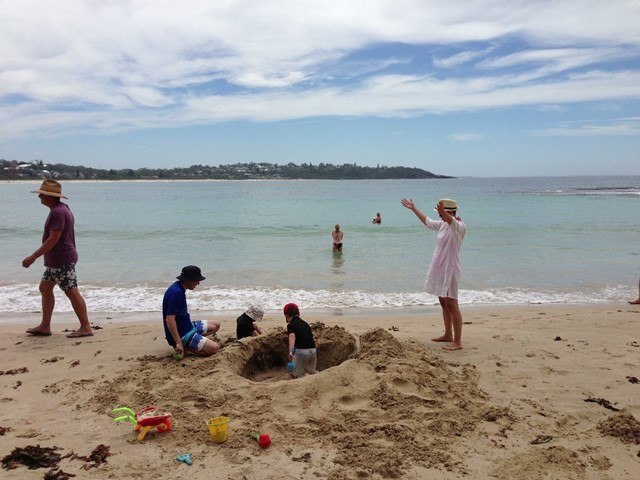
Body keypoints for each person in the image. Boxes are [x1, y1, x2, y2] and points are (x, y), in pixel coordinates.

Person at [22, 180, 93, 338]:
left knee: (71, 292)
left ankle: (86, 327)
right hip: (56, 261)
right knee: (45, 288)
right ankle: (45, 326)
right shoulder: (60, 209)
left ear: (50, 196)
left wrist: (33, 256)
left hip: (62, 260)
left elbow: (54, 238)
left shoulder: (58, 212)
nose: (39, 196)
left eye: (42, 194)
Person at [401, 197, 467, 351]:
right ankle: (448, 335)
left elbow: (452, 222)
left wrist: (444, 212)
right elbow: (428, 221)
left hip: (450, 270)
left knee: (452, 304)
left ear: (449, 212)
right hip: (440, 269)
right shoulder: (443, 225)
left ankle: (457, 342)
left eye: (441, 213)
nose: (439, 216)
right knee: (443, 302)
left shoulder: (459, 226)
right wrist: (414, 208)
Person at [162, 265, 221, 357]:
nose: (198, 283)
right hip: (183, 334)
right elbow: (169, 319)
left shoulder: (179, 288)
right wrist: (178, 342)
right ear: (189, 280)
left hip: (187, 325)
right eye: (197, 280)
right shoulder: (176, 293)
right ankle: (186, 348)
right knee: (215, 348)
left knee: (216, 325)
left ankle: (194, 342)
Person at [283, 303, 316, 379]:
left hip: (301, 351)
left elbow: (292, 336)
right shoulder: (305, 324)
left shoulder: (290, 325)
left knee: (290, 372)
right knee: (311, 372)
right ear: (299, 313)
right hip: (312, 350)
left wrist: (291, 352)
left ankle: (289, 383)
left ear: (286, 315)